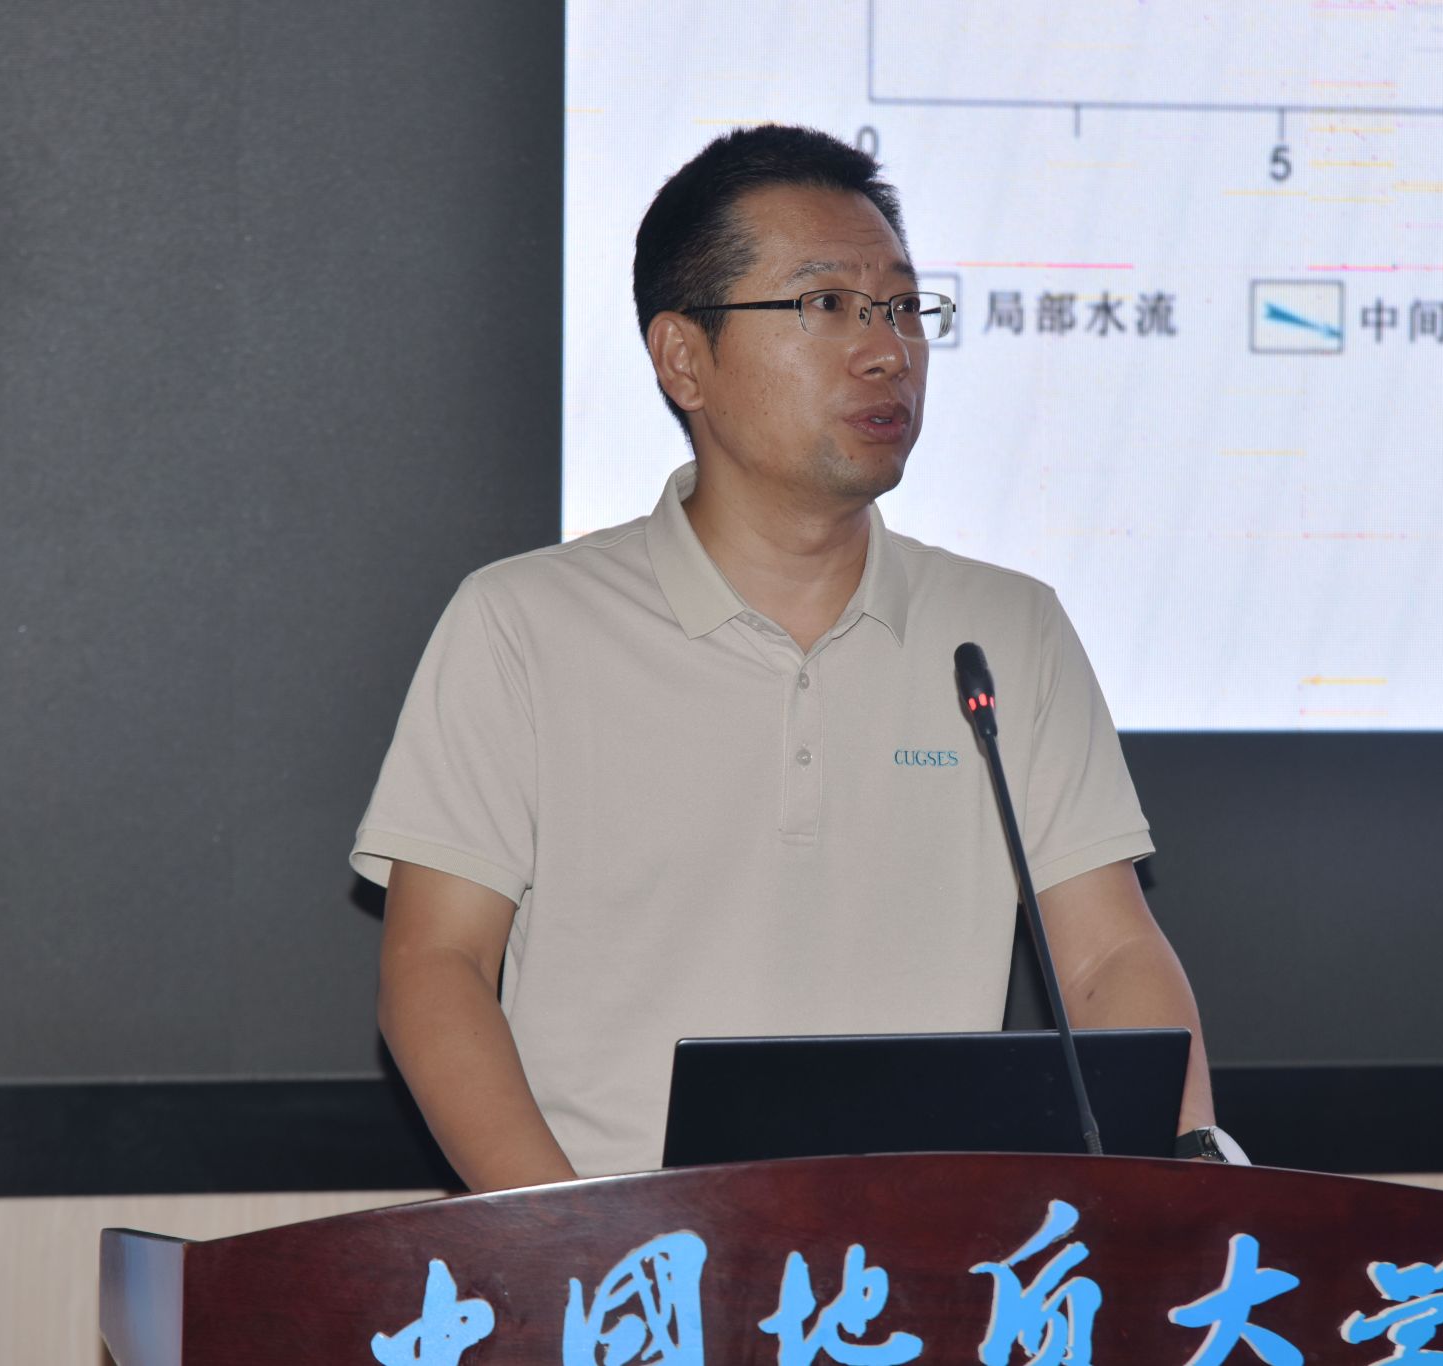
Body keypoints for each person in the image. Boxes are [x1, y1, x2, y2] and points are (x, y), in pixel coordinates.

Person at [352, 125, 1229, 1192]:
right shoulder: (522, 625)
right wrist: (572, 1242)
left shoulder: (1005, 630)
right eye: (825, 305)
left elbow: (1106, 959)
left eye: (902, 307)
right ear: (684, 358)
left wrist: (1188, 1171)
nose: (886, 350)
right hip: (618, 1263)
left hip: (922, 1260)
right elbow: (436, 968)